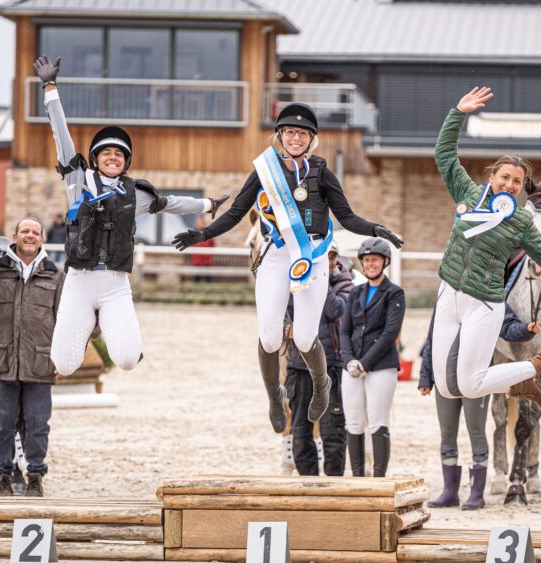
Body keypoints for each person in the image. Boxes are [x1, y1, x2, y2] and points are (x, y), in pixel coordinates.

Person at [172, 101, 403, 432]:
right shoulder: (265, 171)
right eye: (290, 132)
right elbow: (237, 212)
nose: (296, 138)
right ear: (280, 136)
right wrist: (202, 234)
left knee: (306, 337)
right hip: (276, 255)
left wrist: (376, 229)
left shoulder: (322, 172)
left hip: (312, 255)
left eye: (303, 133)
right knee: (268, 338)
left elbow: (347, 217)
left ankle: (321, 385)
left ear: (312, 139)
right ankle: (272, 396)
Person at [32, 55, 227, 375]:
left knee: (125, 359)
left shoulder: (135, 192)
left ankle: (114, 328)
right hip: (79, 280)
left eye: (118, 154)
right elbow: (60, 135)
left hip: (115, 282)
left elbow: (172, 203)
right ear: (95, 159)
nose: (112, 157)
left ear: (126, 162)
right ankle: (88, 326)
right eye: (106, 153)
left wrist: (206, 205)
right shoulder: (77, 180)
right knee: (64, 366)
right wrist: (50, 88)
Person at [432, 86, 541, 412]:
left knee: (471, 385)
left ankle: (540, 365)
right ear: (492, 176)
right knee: (446, 388)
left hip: (483, 303)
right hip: (448, 293)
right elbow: (444, 154)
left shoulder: (521, 224)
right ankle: (523, 379)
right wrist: (457, 114)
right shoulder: (468, 193)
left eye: (517, 181)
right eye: (505, 177)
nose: (510, 185)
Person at [0, 217, 64, 497]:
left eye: (35, 232)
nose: (30, 236)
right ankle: (4, 476)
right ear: (14, 236)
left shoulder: (55, 275)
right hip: (2, 363)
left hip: (39, 362)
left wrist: (64, 358)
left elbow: (64, 320)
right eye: (25, 231)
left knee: (37, 423)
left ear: (42, 239)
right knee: (3, 423)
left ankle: (35, 475)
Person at [420, 303, 541, 510]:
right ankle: (450, 491)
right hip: (444, 379)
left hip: (475, 376)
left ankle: (477, 493)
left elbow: (507, 325)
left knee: (476, 432)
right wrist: (426, 376)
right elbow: (433, 339)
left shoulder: (490, 296)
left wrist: (526, 330)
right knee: (447, 433)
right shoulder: (446, 298)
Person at [284, 241, 353, 476]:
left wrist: (319, 280)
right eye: (323, 257)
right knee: (300, 429)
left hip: (330, 363)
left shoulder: (345, 283)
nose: (328, 261)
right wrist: (286, 328)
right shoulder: (293, 278)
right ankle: (307, 481)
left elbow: (336, 310)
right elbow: (280, 309)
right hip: (298, 363)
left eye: (331, 257)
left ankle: (334, 482)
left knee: (332, 428)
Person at [340, 238, 406, 477]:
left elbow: (390, 333)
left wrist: (365, 363)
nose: (370, 264)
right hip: (353, 367)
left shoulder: (395, 293)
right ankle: (358, 476)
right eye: (367, 260)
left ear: (384, 262)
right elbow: (345, 330)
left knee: (378, 421)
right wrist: (349, 360)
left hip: (381, 367)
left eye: (374, 260)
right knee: (354, 423)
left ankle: (378, 477)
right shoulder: (356, 292)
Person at [190, 215, 216, 282]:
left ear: (203, 223)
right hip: (197, 259)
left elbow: (212, 245)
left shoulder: (208, 234)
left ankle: (208, 289)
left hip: (206, 259)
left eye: (200, 222)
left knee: (208, 277)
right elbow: (192, 245)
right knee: (197, 277)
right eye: (197, 222)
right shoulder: (193, 234)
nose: (198, 224)